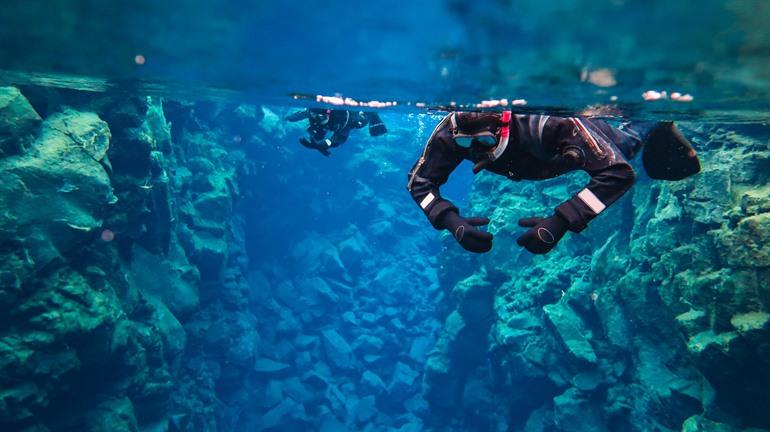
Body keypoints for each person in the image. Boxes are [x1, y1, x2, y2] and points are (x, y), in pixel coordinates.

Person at [407, 112, 700, 254]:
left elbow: (618, 173)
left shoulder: (553, 125)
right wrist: (448, 219)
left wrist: (562, 220)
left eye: (484, 141)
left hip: (579, 138)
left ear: (504, 125)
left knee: (627, 144)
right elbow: (419, 182)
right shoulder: (451, 131)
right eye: (463, 144)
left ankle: (657, 120)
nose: (474, 150)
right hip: (538, 162)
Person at [286, 108, 387, 156]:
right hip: (329, 123)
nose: (317, 119)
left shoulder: (341, 119)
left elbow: (341, 138)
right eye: (314, 115)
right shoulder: (313, 112)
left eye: (321, 117)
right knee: (317, 134)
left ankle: (372, 113)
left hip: (353, 118)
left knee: (359, 123)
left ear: (328, 114)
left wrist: (325, 145)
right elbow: (299, 115)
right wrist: (286, 118)